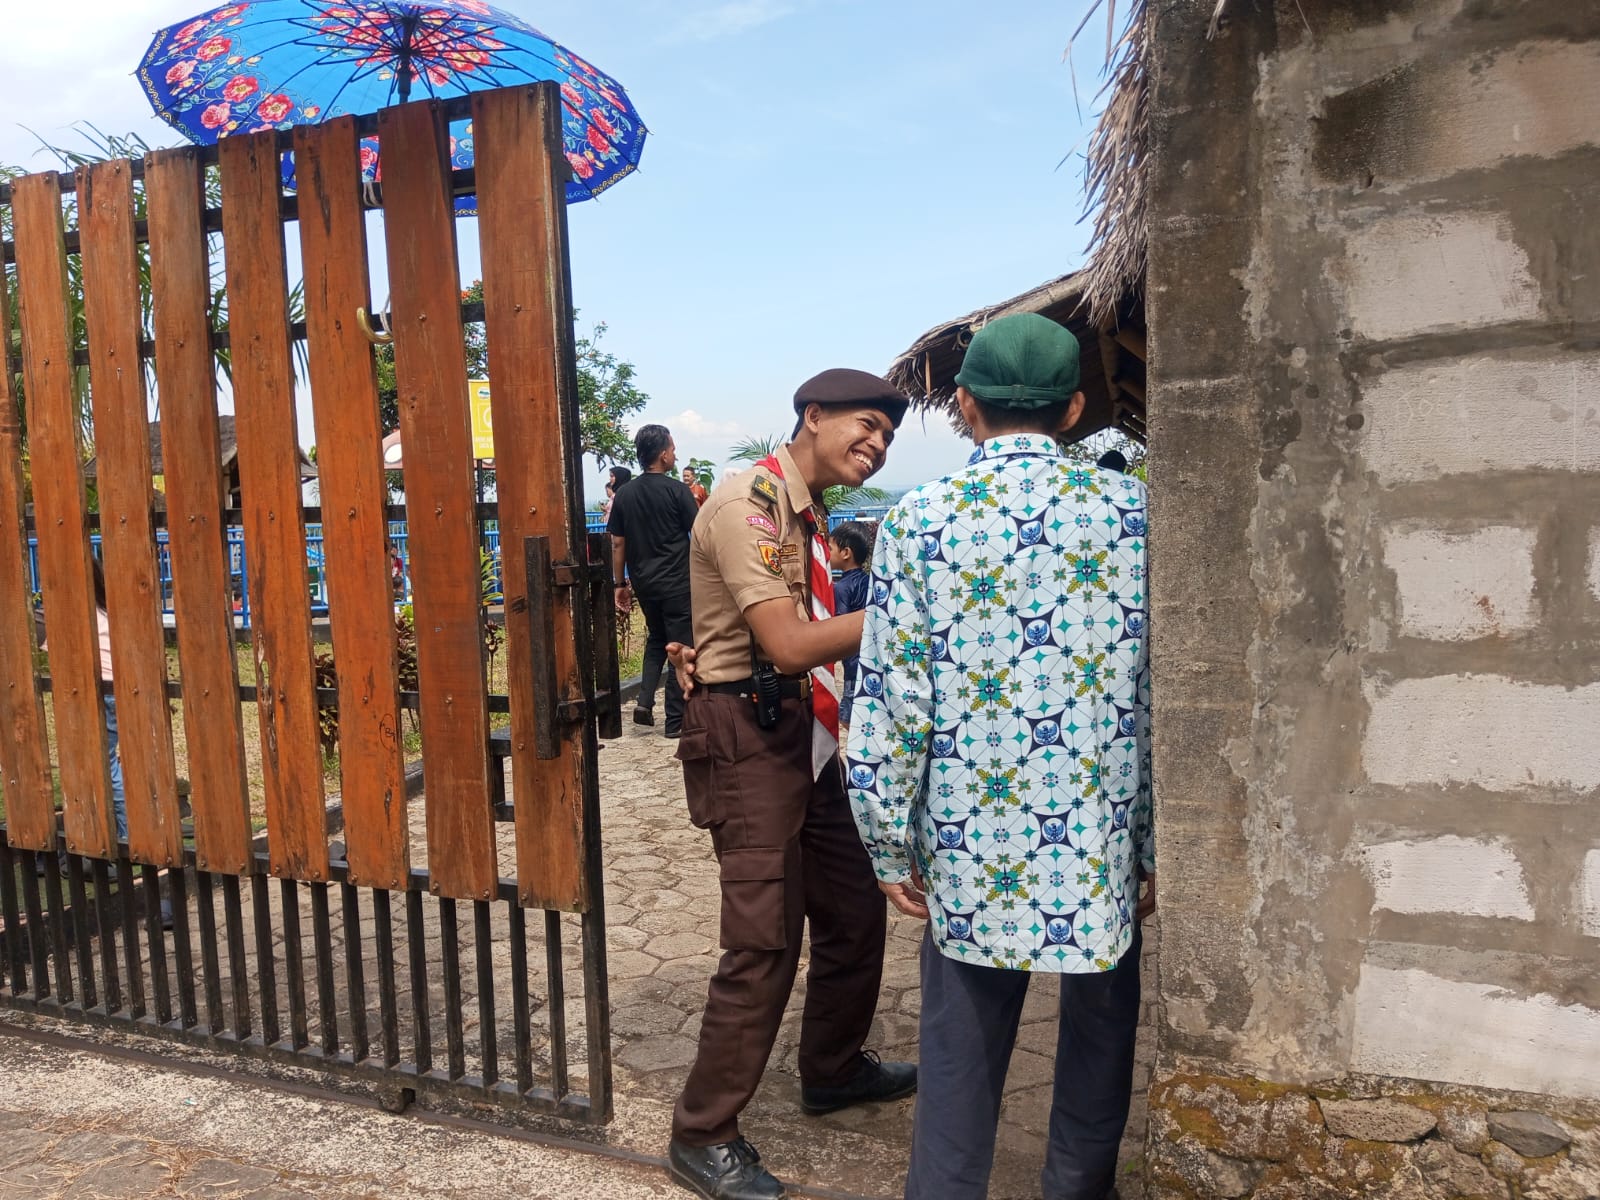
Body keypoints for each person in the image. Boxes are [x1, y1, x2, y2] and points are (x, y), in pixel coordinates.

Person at [845, 313, 1154, 1200]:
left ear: (967, 407)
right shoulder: (1137, 514)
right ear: (1075, 409)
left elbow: (893, 702)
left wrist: (888, 844)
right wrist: (1154, 843)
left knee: (960, 1049)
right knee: (1101, 1033)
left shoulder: (919, 522)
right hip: (1102, 831)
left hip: (972, 840)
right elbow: (1165, 692)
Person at [665, 369, 917, 1200]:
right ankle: (702, 1132)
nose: (877, 444)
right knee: (764, 940)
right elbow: (788, 643)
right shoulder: (750, 504)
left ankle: (833, 1070)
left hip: (806, 734)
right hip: (749, 735)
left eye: (888, 435)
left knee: (854, 911)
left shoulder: (802, 513)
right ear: (813, 415)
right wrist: (912, 609)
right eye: (865, 424)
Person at [608, 426, 698, 738]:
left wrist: (619, 584)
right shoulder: (677, 491)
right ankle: (675, 721)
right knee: (680, 646)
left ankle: (644, 702)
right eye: (672, 449)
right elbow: (700, 533)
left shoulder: (625, 494)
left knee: (657, 638)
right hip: (678, 581)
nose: (675, 454)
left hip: (644, 582)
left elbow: (617, 543)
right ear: (662, 455)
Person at [826, 519, 872, 729]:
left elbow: (840, 623)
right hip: (867, 659)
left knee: (847, 720)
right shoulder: (868, 581)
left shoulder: (841, 587)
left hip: (852, 665)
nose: (827, 554)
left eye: (830, 549)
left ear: (846, 553)